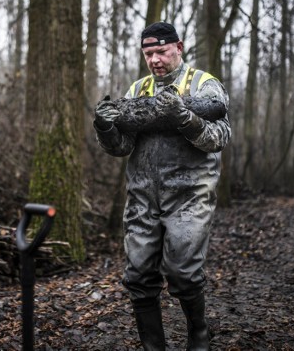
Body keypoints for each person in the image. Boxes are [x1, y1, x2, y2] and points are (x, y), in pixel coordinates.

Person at [93, 22, 231, 351]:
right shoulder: (137, 89)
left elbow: (220, 138)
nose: (154, 59)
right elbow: (121, 147)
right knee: (139, 276)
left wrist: (183, 117)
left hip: (190, 195)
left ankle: (198, 332)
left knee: (183, 271)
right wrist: (105, 127)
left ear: (178, 47)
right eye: (148, 53)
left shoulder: (204, 84)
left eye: (161, 51)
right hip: (143, 197)